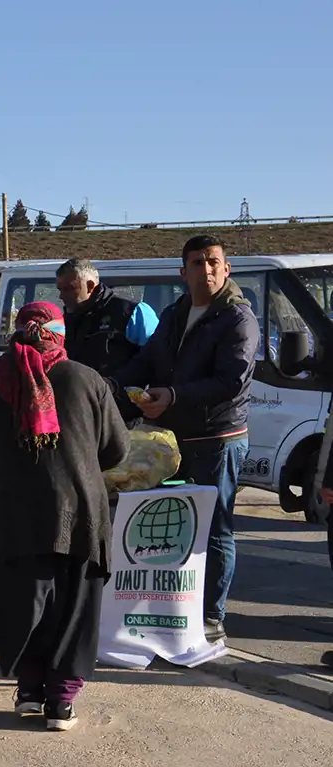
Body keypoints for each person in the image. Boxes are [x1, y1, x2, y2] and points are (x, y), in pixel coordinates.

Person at [0, 301, 129, 731]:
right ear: (60, 333)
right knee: (75, 606)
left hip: (15, 513)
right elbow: (117, 450)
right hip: (79, 512)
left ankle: (30, 689)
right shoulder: (86, 378)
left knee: (21, 602)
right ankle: (61, 701)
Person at [112, 236, 260, 642]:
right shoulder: (175, 313)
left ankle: (212, 618)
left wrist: (174, 396)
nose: (206, 269)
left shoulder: (237, 318)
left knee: (214, 530)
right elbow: (146, 361)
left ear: (226, 269)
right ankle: (169, 614)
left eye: (214, 262)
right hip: (171, 439)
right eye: (197, 263)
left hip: (217, 439)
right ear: (184, 272)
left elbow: (231, 381)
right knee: (172, 531)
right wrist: (110, 384)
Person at [56, 257, 158, 421]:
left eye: (68, 289)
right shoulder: (63, 322)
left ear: (90, 286)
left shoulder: (131, 313)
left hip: (122, 416)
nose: (61, 296)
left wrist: (112, 385)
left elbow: (155, 360)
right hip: (79, 415)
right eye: (59, 289)